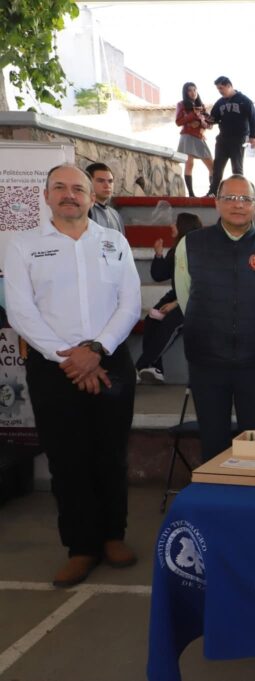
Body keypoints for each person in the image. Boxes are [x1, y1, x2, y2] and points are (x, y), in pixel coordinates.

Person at [3, 164, 141, 587]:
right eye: (59, 188)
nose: (69, 195)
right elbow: (20, 311)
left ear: (91, 197)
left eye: (78, 188)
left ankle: (113, 536)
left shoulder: (114, 242)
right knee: (67, 458)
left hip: (110, 360)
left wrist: (95, 350)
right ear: (46, 196)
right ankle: (81, 547)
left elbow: (130, 304)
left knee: (111, 453)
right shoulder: (21, 245)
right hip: (53, 365)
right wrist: (69, 358)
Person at [174, 175, 255, 460]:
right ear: (216, 203)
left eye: (245, 199)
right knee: (213, 445)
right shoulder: (191, 245)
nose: (238, 205)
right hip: (207, 364)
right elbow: (186, 298)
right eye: (230, 198)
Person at [136, 212, 203, 383]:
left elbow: (199, 284)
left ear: (183, 226)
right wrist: (158, 254)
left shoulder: (197, 250)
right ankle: (155, 368)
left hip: (195, 298)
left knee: (170, 323)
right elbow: (159, 275)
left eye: (175, 223)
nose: (172, 226)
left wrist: (176, 304)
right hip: (176, 294)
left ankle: (141, 365)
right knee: (152, 320)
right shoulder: (176, 249)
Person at [205, 76, 255, 197]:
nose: (220, 91)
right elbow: (213, 119)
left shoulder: (244, 100)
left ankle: (239, 194)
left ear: (229, 86)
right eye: (218, 89)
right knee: (217, 168)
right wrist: (207, 120)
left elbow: (253, 119)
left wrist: (253, 136)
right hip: (222, 139)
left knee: (237, 169)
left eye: (221, 88)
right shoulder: (220, 103)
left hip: (238, 139)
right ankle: (212, 192)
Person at [175, 82, 214, 198]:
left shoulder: (201, 106)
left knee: (212, 166)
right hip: (187, 136)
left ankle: (211, 192)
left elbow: (210, 124)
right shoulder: (181, 104)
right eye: (189, 90)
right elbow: (178, 122)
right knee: (189, 164)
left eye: (194, 89)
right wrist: (193, 114)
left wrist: (203, 125)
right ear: (185, 92)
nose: (193, 92)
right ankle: (191, 195)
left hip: (199, 137)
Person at [85, 162, 125, 235]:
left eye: (110, 181)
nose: (107, 185)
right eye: (100, 181)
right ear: (88, 182)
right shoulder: (83, 211)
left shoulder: (116, 215)